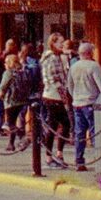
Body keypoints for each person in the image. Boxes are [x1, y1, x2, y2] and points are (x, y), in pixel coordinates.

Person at [67, 40, 101, 171]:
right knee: (95, 132)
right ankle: (100, 159)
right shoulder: (94, 66)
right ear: (90, 53)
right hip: (91, 102)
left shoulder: (74, 66)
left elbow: (70, 86)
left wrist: (75, 97)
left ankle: (79, 161)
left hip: (77, 103)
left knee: (79, 133)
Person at [39, 34, 73, 167]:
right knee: (62, 124)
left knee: (56, 125)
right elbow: (54, 79)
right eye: (60, 43)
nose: (62, 45)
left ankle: (56, 154)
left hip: (53, 95)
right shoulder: (51, 58)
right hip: (53, 95)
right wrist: (64, 97)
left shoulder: (58, 57)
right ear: (52, 43)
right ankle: (52, 155)